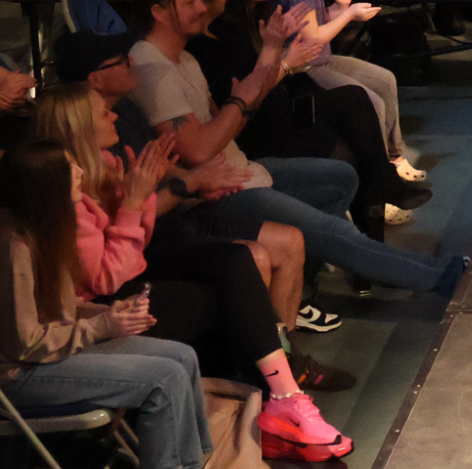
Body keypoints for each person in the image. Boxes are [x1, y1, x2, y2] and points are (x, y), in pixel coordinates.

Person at [37, 86, 354, 457]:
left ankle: (282, 397)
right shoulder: (64, 196)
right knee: (228, 302)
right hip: (102, 310)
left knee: (235, 261)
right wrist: (133, 203)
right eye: (103, 113)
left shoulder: (105, 165)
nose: (114, 117)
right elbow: (106, 280)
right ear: (79, 129)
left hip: (132, 275)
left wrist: (138, 199)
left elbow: (137, 241)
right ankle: (268, 404)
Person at [123, 0, 467, 297]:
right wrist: (242, 98)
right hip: (216, 193)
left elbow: (228, 124)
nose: (202, 7)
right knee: (333, 230)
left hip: (241, 169)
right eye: (190, 2)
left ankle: (304, 280)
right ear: (159, 12)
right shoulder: (153, 71)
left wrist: (268, 56)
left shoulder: (183, 58)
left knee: (340, 177)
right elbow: (198, 150)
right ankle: (440, 276)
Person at [54, 28, 316, 337]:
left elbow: (158, 164)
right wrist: (187, 185)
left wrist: (198, 181)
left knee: (291, 241)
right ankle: (263, 356)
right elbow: (128, 217)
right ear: (96, 79)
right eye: (122, 60)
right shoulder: (89, 147)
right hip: (149, 241)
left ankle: (283, 349)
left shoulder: (124, 111)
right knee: (253, 256)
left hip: (176, 215)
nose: (132, 62)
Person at [1, 141, 213, 469]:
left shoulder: (47, 231)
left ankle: (191, 468)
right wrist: (100, 327)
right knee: (165, 378)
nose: (80, 172)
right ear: (46, 185)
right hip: (21, 374)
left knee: (183, 356)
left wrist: (111, 313)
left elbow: (61, 309)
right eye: (70, 168)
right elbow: (24, 343)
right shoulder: (15, 247)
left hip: (54, 352)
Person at [191, 0, 423, 228]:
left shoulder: (238, 22)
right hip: (261, 130)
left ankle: (383, 182)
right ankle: (372, 206)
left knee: (355, 97)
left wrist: (329, 15)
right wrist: (284, 59)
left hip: (280, 106)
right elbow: (250, 93)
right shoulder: (212, 42)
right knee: (350, 149)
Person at [266, 0, 420, 185]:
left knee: (385, 81)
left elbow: (313, 23)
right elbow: (313, 38)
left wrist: (338, 8)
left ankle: (394, 157)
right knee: (371, 102)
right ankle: (378, 178)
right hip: (305, 69)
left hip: (321, 59)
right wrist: (348, 15)